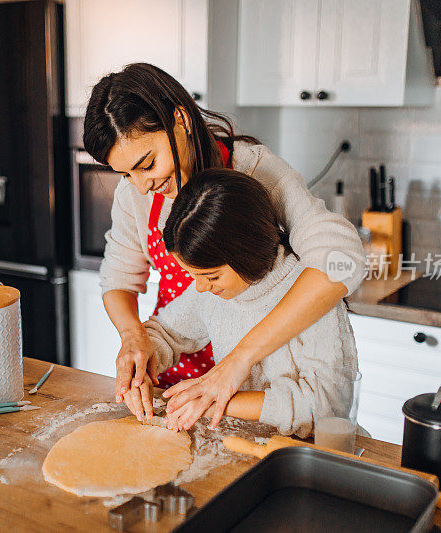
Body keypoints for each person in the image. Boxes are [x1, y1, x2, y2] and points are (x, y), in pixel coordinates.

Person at [83, 63, 365, 429]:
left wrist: (236, 363)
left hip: (257, 392)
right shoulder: (139, 199)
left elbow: (341, 260)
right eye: (125, 174)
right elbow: (118, 278)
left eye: (147, 164)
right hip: (181, 389)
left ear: (180, 119)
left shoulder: (258, 173)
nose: (140, 186)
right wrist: (135, 337)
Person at [143, 168, 358, 435]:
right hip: (247, 446)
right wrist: (140, 354)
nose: (199, 287)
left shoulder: (312, 294)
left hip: (314, 457)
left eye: (211, 275)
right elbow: (165, 332)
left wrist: (217, 400)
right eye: (191, 275)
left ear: (245, 252)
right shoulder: (212, 292)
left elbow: (329, 410)